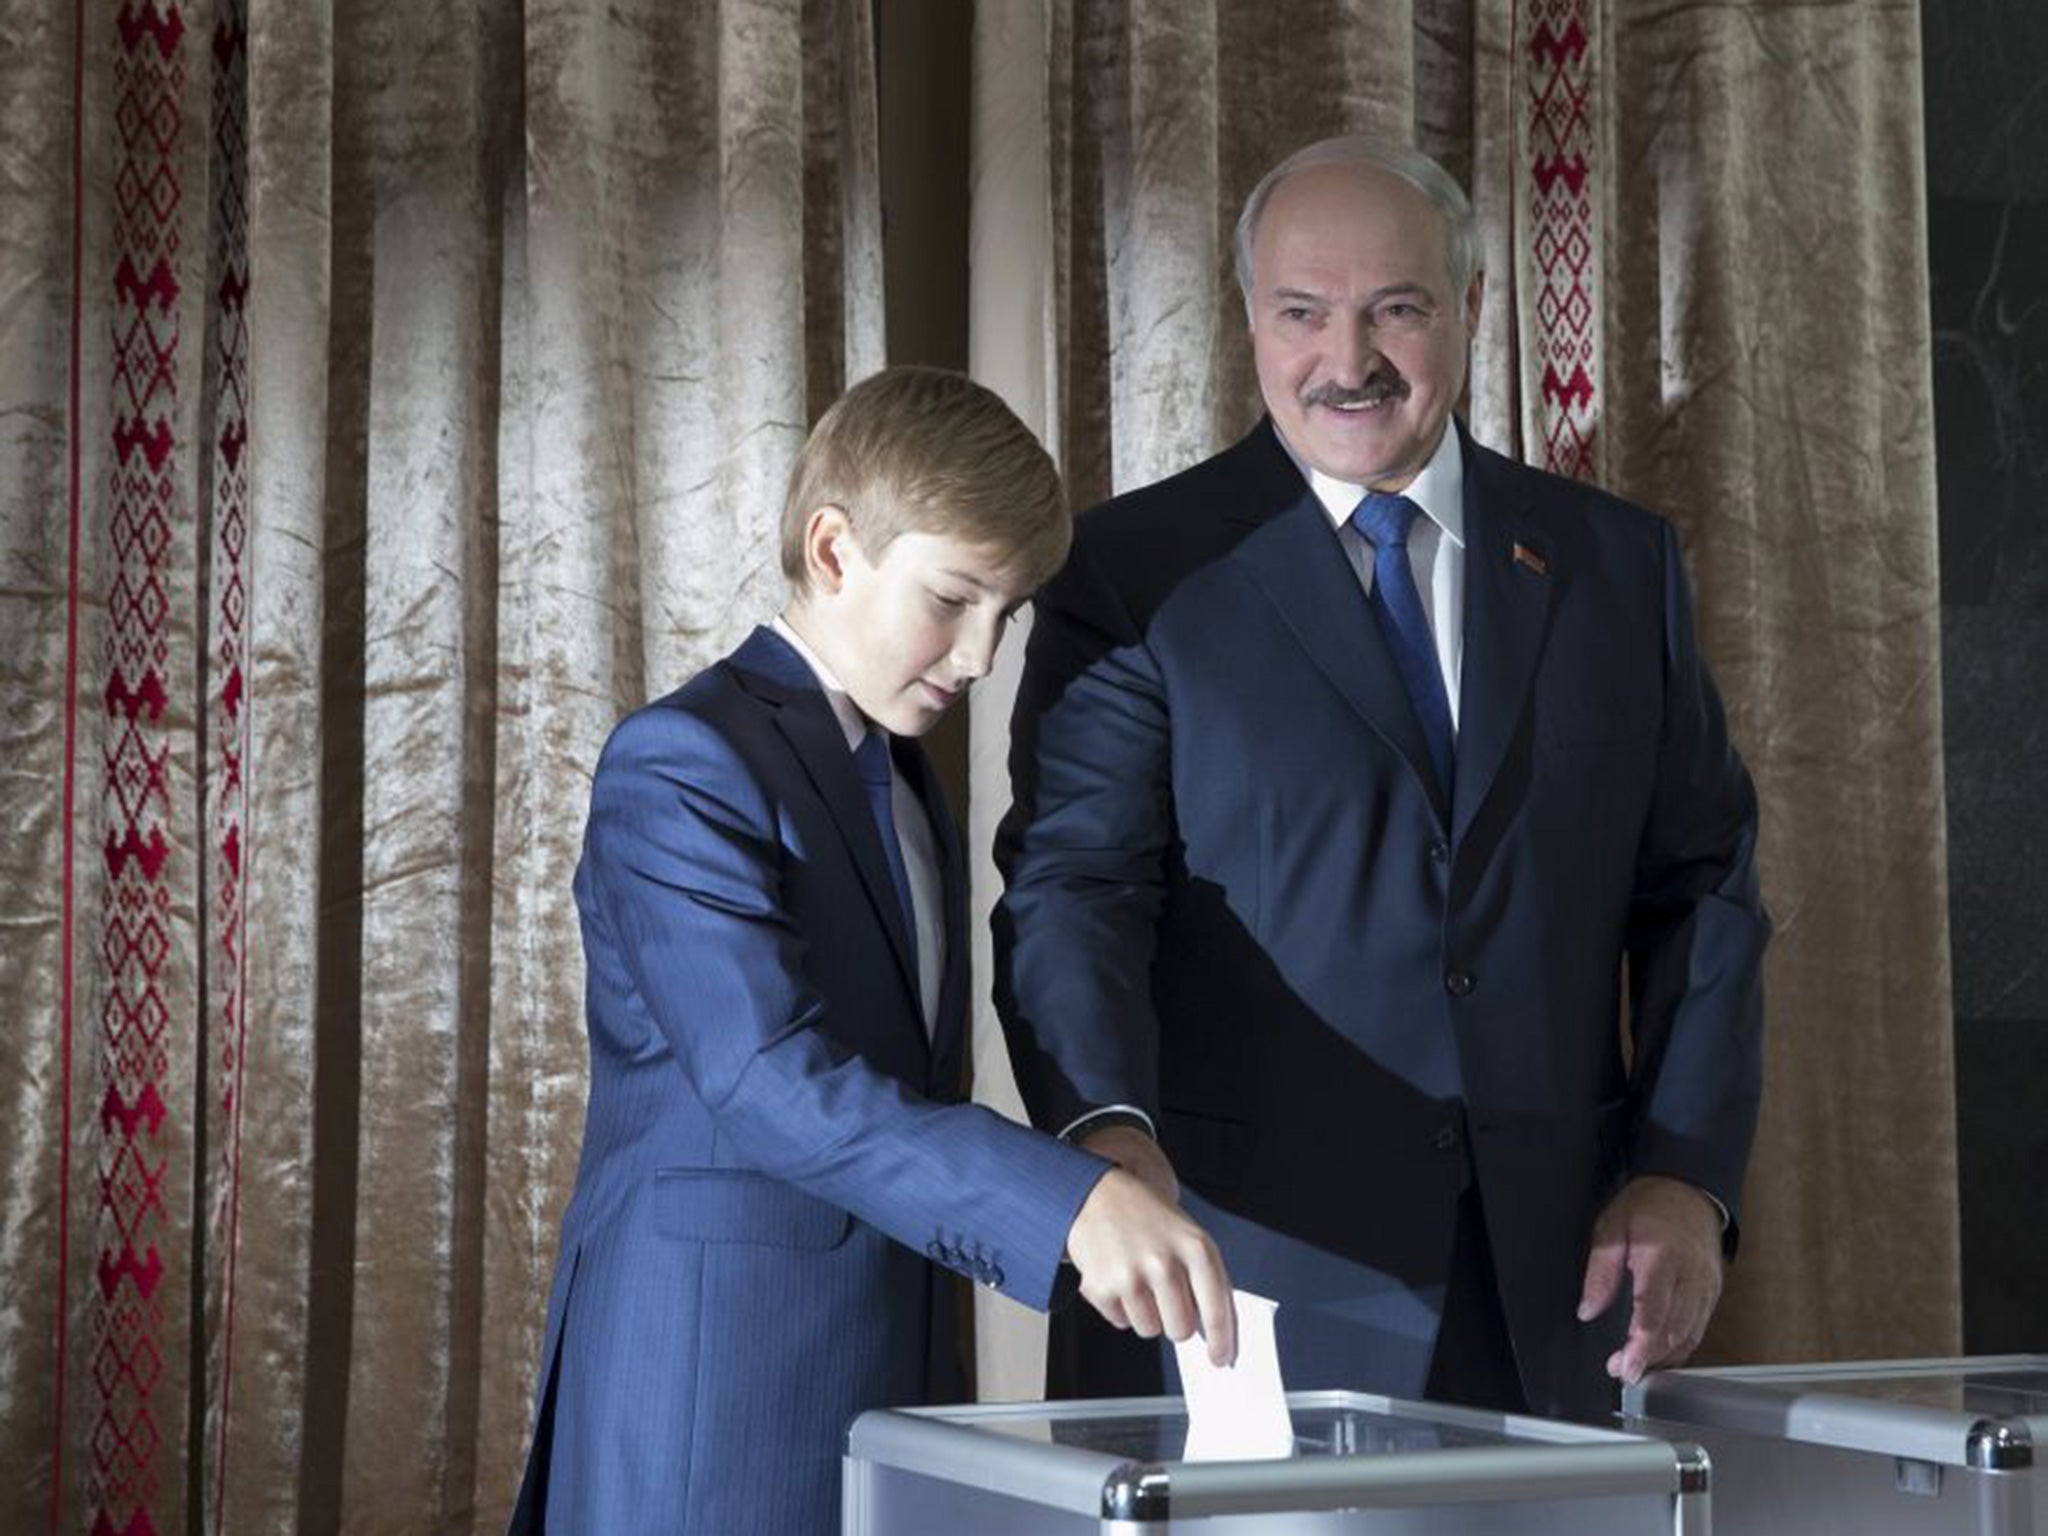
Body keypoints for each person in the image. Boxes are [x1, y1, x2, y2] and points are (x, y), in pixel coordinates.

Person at [994, 136, 1769, 1422]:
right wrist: (1102, 1136)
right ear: (1250, 318)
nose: (1345, 362)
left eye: (1395, 309)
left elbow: (1703, 888)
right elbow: (1074, 889)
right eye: (1301, 313)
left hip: (1556, 1293)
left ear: (1469, 308)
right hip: (1243, 1292)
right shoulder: (1134, 573)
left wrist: (1684, 1173)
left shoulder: (1613, 568)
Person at [509, 366, 1236, 1535]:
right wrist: (1067, 1204)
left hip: (884, 1397)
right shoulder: (680, 761)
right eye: (953, 600)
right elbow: (764, 1078)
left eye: (1005, 614)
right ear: (835, 550)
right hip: (709, 1398)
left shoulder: (900, 776)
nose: (980, 656)